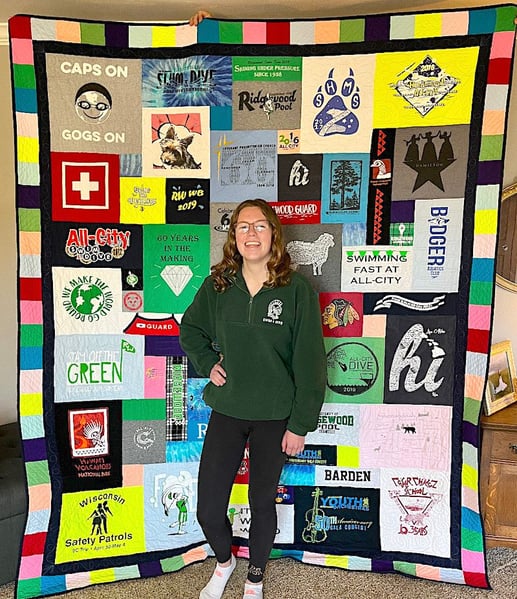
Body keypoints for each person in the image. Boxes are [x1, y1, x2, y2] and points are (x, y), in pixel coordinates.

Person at [180, 199, 327, 599]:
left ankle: (255, 577)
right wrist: (208, 362)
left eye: (259, 226)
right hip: (228, 408)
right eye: (243, 227)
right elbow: (190, 329)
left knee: (262, 501)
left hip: (276, 414)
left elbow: (311, 364)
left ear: (274, 234)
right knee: (209, 508)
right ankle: (224, 562)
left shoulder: (296, 290)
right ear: (234, 236)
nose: (251, 234)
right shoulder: (218, 285)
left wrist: (300, 424)